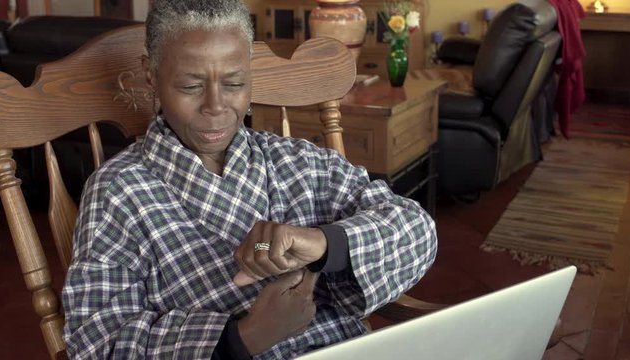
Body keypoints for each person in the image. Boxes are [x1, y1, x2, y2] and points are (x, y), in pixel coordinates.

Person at [61, 0, 437, 359]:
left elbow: (417, 229)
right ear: (151, 75)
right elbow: (98, 343)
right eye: (191, 86)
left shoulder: (295, 162)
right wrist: (247, 335)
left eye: (234, 83)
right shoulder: (117, 192)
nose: (216, 105)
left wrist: (324, 243)